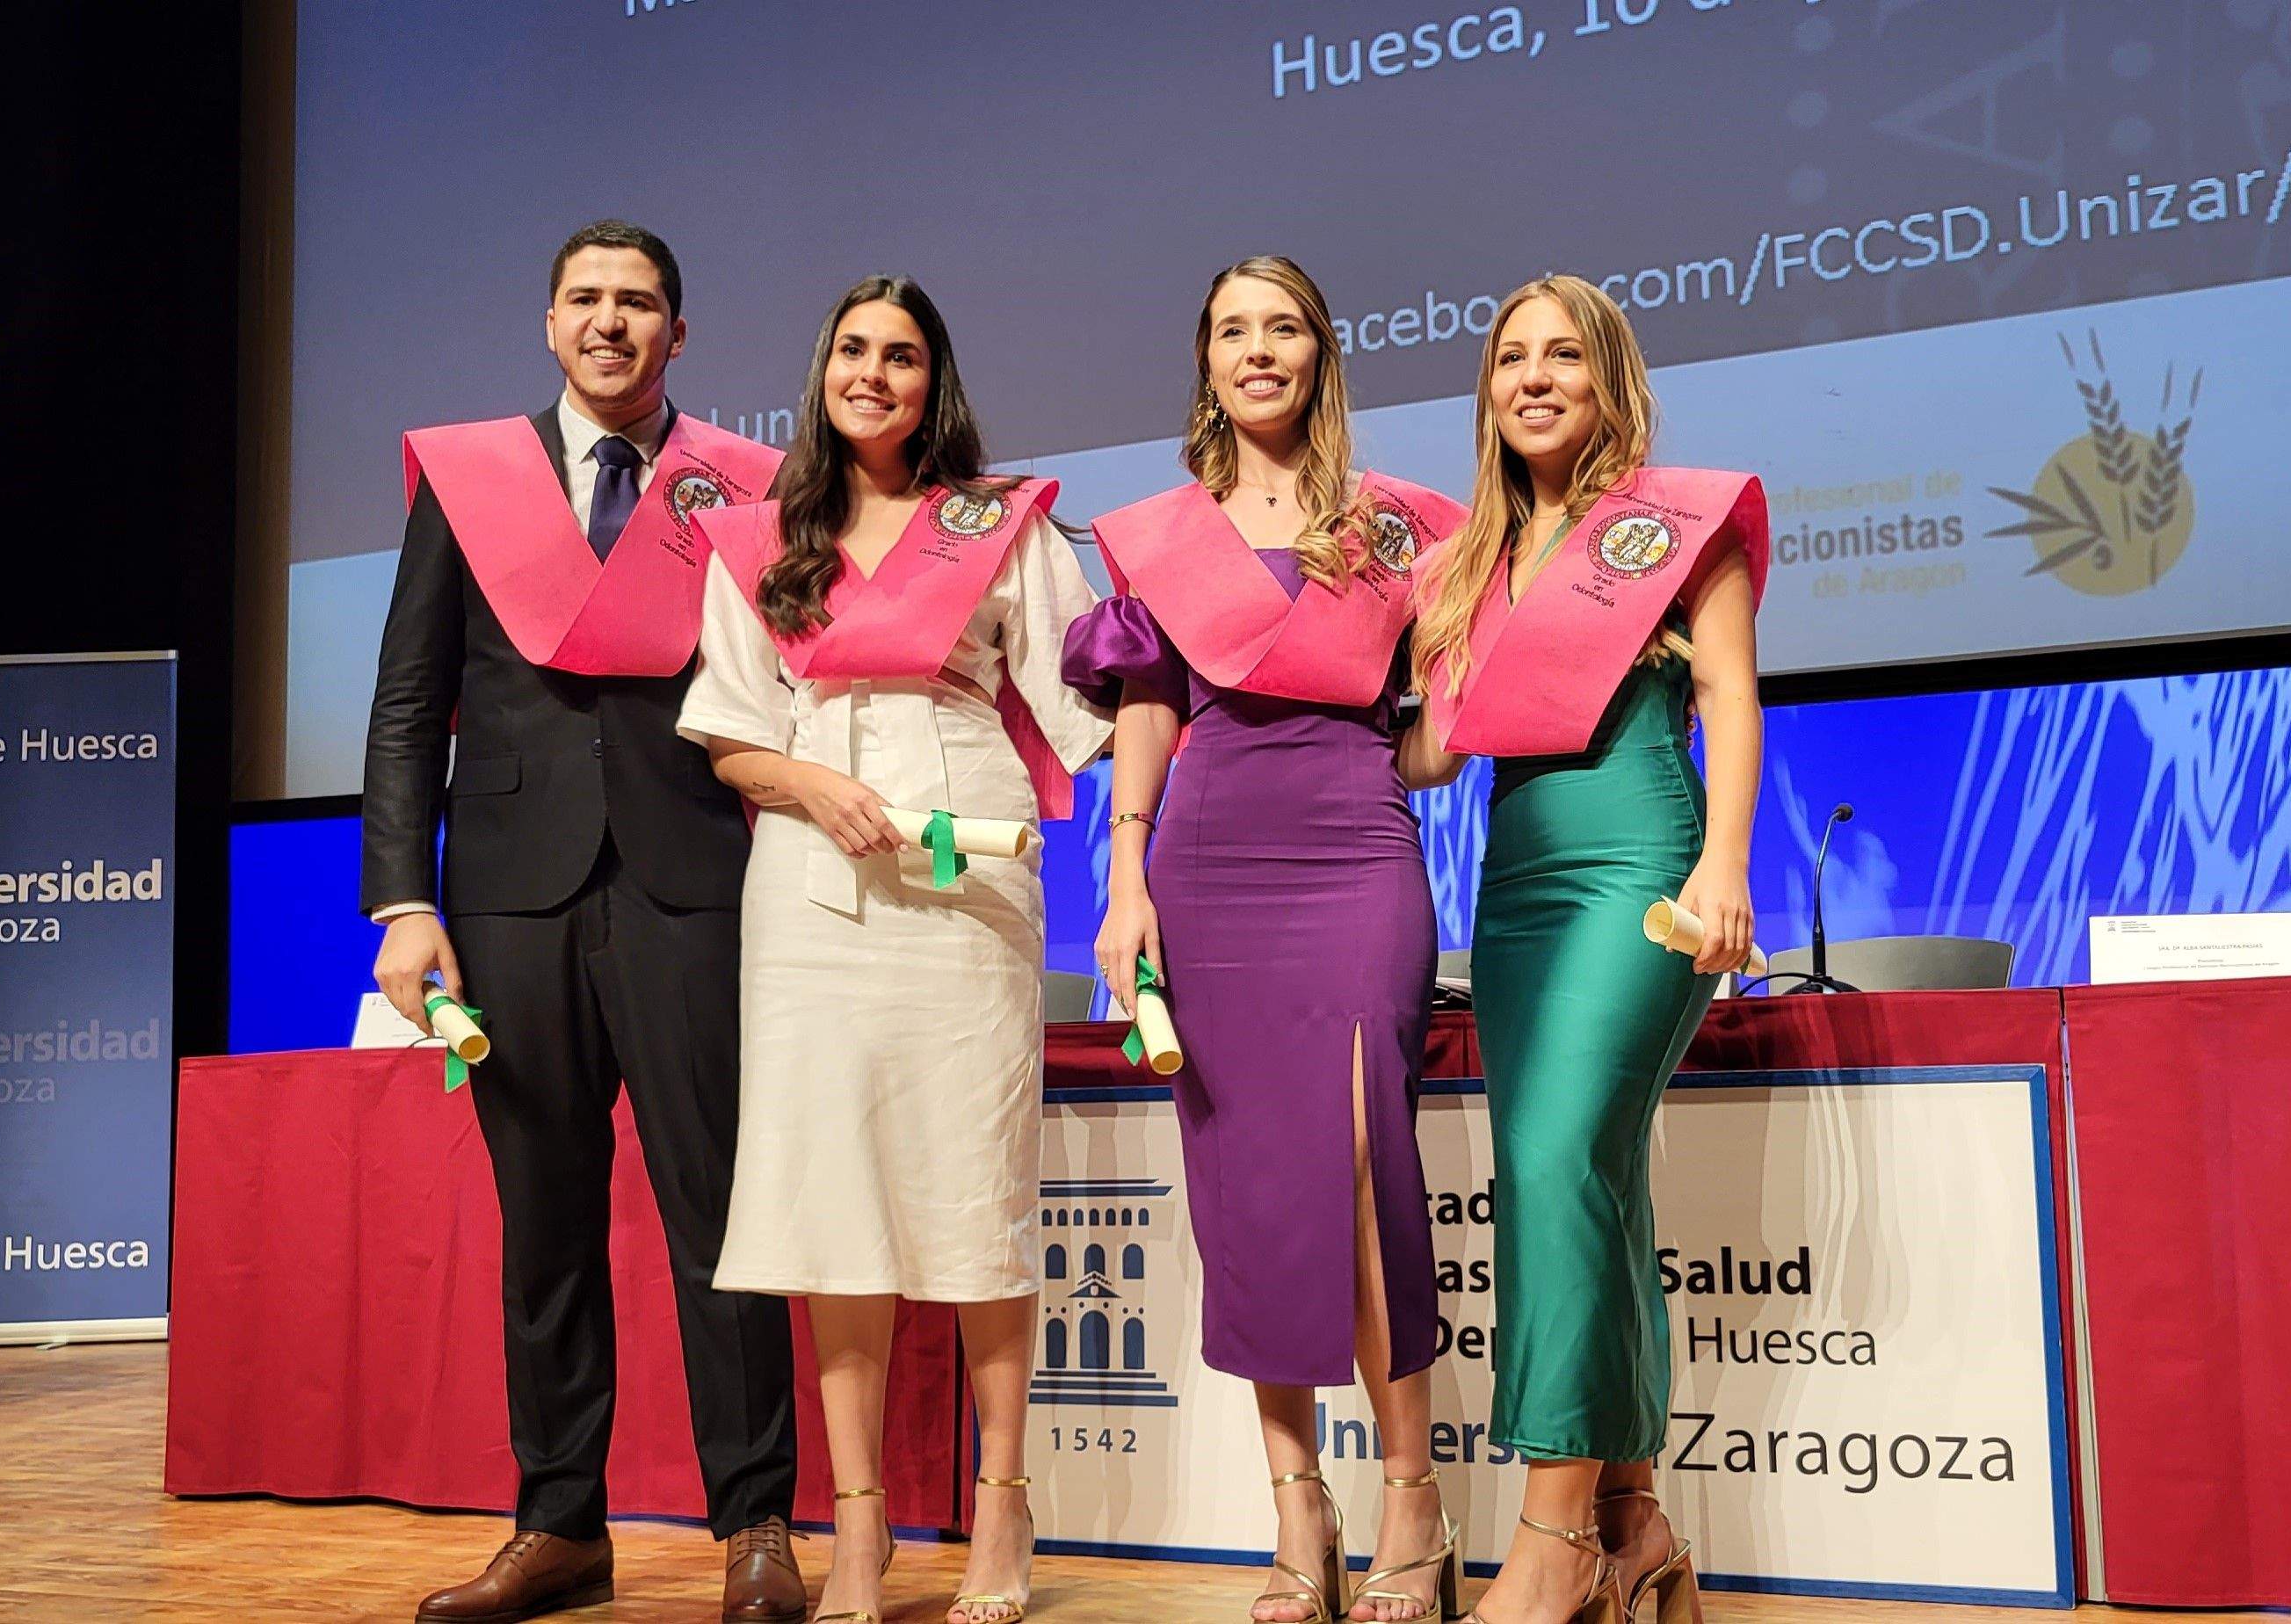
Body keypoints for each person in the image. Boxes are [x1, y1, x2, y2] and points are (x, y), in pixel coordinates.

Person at [364, 220, 807, 1623]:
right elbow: (405, 701)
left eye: (639, 303)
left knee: (722, 1218)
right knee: (542, 1222)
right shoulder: (473, 480)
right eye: (585, 300)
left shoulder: (737, 486)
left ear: (681, 334)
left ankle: (758, 1529)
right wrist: (402, 899)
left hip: (691, 883)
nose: (610, 322)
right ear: (549, 324)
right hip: (507, 898)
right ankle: (558, 1526)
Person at [678, 274, 1112, 1624]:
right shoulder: (761, 540)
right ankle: (855, 1529)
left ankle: (1002, 1511)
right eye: (854, 351)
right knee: (834, 1211)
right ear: (822, 372)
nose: (876, 373)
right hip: (810, 889)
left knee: (975, 1200)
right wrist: (810, 790)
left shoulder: (1002, 527)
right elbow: (732, 726)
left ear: (937, 382)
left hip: (968, 875)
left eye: (904, 356)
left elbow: (1088, 698)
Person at [1062, 256, 1468, 1624]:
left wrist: (1445, 727)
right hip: (1208, 860)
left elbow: (1423, 745)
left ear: (1320, 354)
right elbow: (1148, 712)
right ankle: (1301, 1518)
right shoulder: (1166, 536)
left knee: (1367, 1165)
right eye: (1232, 330)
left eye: (1281, 326)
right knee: (1249, 1191)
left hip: (1355, 843)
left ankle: (1415, 1502)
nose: (1257, 349)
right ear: (1207, 362)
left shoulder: (1400, 525)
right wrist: (1124, 883)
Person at [1400, 275, 1765, 1624]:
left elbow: (1729, 693)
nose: (1534, 377)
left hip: (1645, 865)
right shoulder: (1467, 562)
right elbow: (1434, 752)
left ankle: (1547, 1536)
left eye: (1565, 356)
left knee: (1554, 1162)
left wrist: (1726, 865)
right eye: (1511, 358)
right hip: (1518, 888)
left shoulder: (1674, 532)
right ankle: (1634, 1521)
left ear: (1611, 381)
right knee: (1588, 1179)